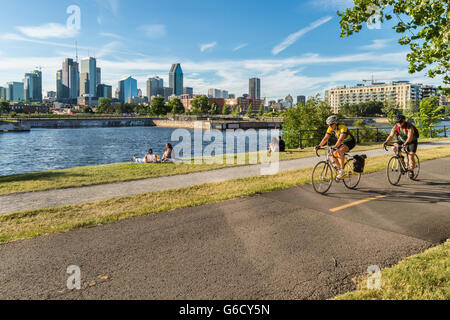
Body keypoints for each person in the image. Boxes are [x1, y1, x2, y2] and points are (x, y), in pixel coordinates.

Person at [314, 115, 357, 179]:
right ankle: (340, 170)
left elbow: (340, 139)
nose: (330, 126)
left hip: (350, 142)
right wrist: (319, 145)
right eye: (328, 125)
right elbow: (325, 138)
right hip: (342, 143)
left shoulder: (343, 128)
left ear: (336, 123)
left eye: (331, 124)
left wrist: (335, 147)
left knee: (340, 151)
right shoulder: (330, 128)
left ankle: (342, 171)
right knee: (332, 152)